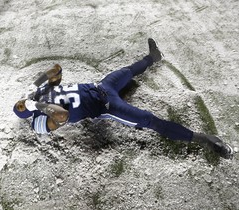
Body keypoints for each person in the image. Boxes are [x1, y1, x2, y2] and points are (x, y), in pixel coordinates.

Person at [13, 38, 234, 159]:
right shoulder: (38, 123)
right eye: (23, 105)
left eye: (21, 100)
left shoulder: (37, 95)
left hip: (101, 86)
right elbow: (62, 115)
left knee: (127, 71)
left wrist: (35, 85)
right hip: (106, 106)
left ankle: (153, 57)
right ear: (27, 112)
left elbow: (56, 70)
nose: (24, 100)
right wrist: (39, 104)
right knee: (149, 120)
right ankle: (206, 139)